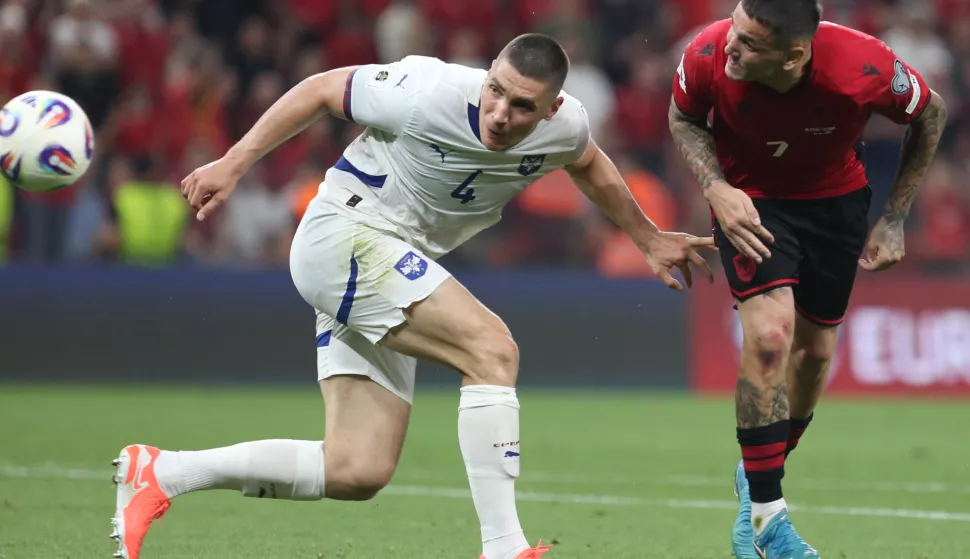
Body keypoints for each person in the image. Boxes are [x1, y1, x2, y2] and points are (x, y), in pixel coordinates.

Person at [109, 33, 715, 559]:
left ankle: (164, 472)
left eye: (521, 105)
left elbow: (588, 163)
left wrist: (648, 238)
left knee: (357, 468)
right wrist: (234, 163)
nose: (500, 113)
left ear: (551, 108)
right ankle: (504, 545)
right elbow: (321, 89)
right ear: (487, 75)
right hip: (345, 234)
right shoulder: (426, 90)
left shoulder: (567, 126)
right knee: (492, 351)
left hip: (393, 260)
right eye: (496, 91)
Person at [668, 2, 947, 558]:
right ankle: (769, 518)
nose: (731, 46)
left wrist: (895, 217)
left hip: (835, 204)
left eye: (750, 42)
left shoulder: (864, 67)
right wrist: (716, 188)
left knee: (815, 355)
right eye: (735, 28)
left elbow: (931, 113)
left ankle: (757, 475)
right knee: (770, 336)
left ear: (793, 55)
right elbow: (684, 118)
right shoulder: (706, 51)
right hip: (751, 201)